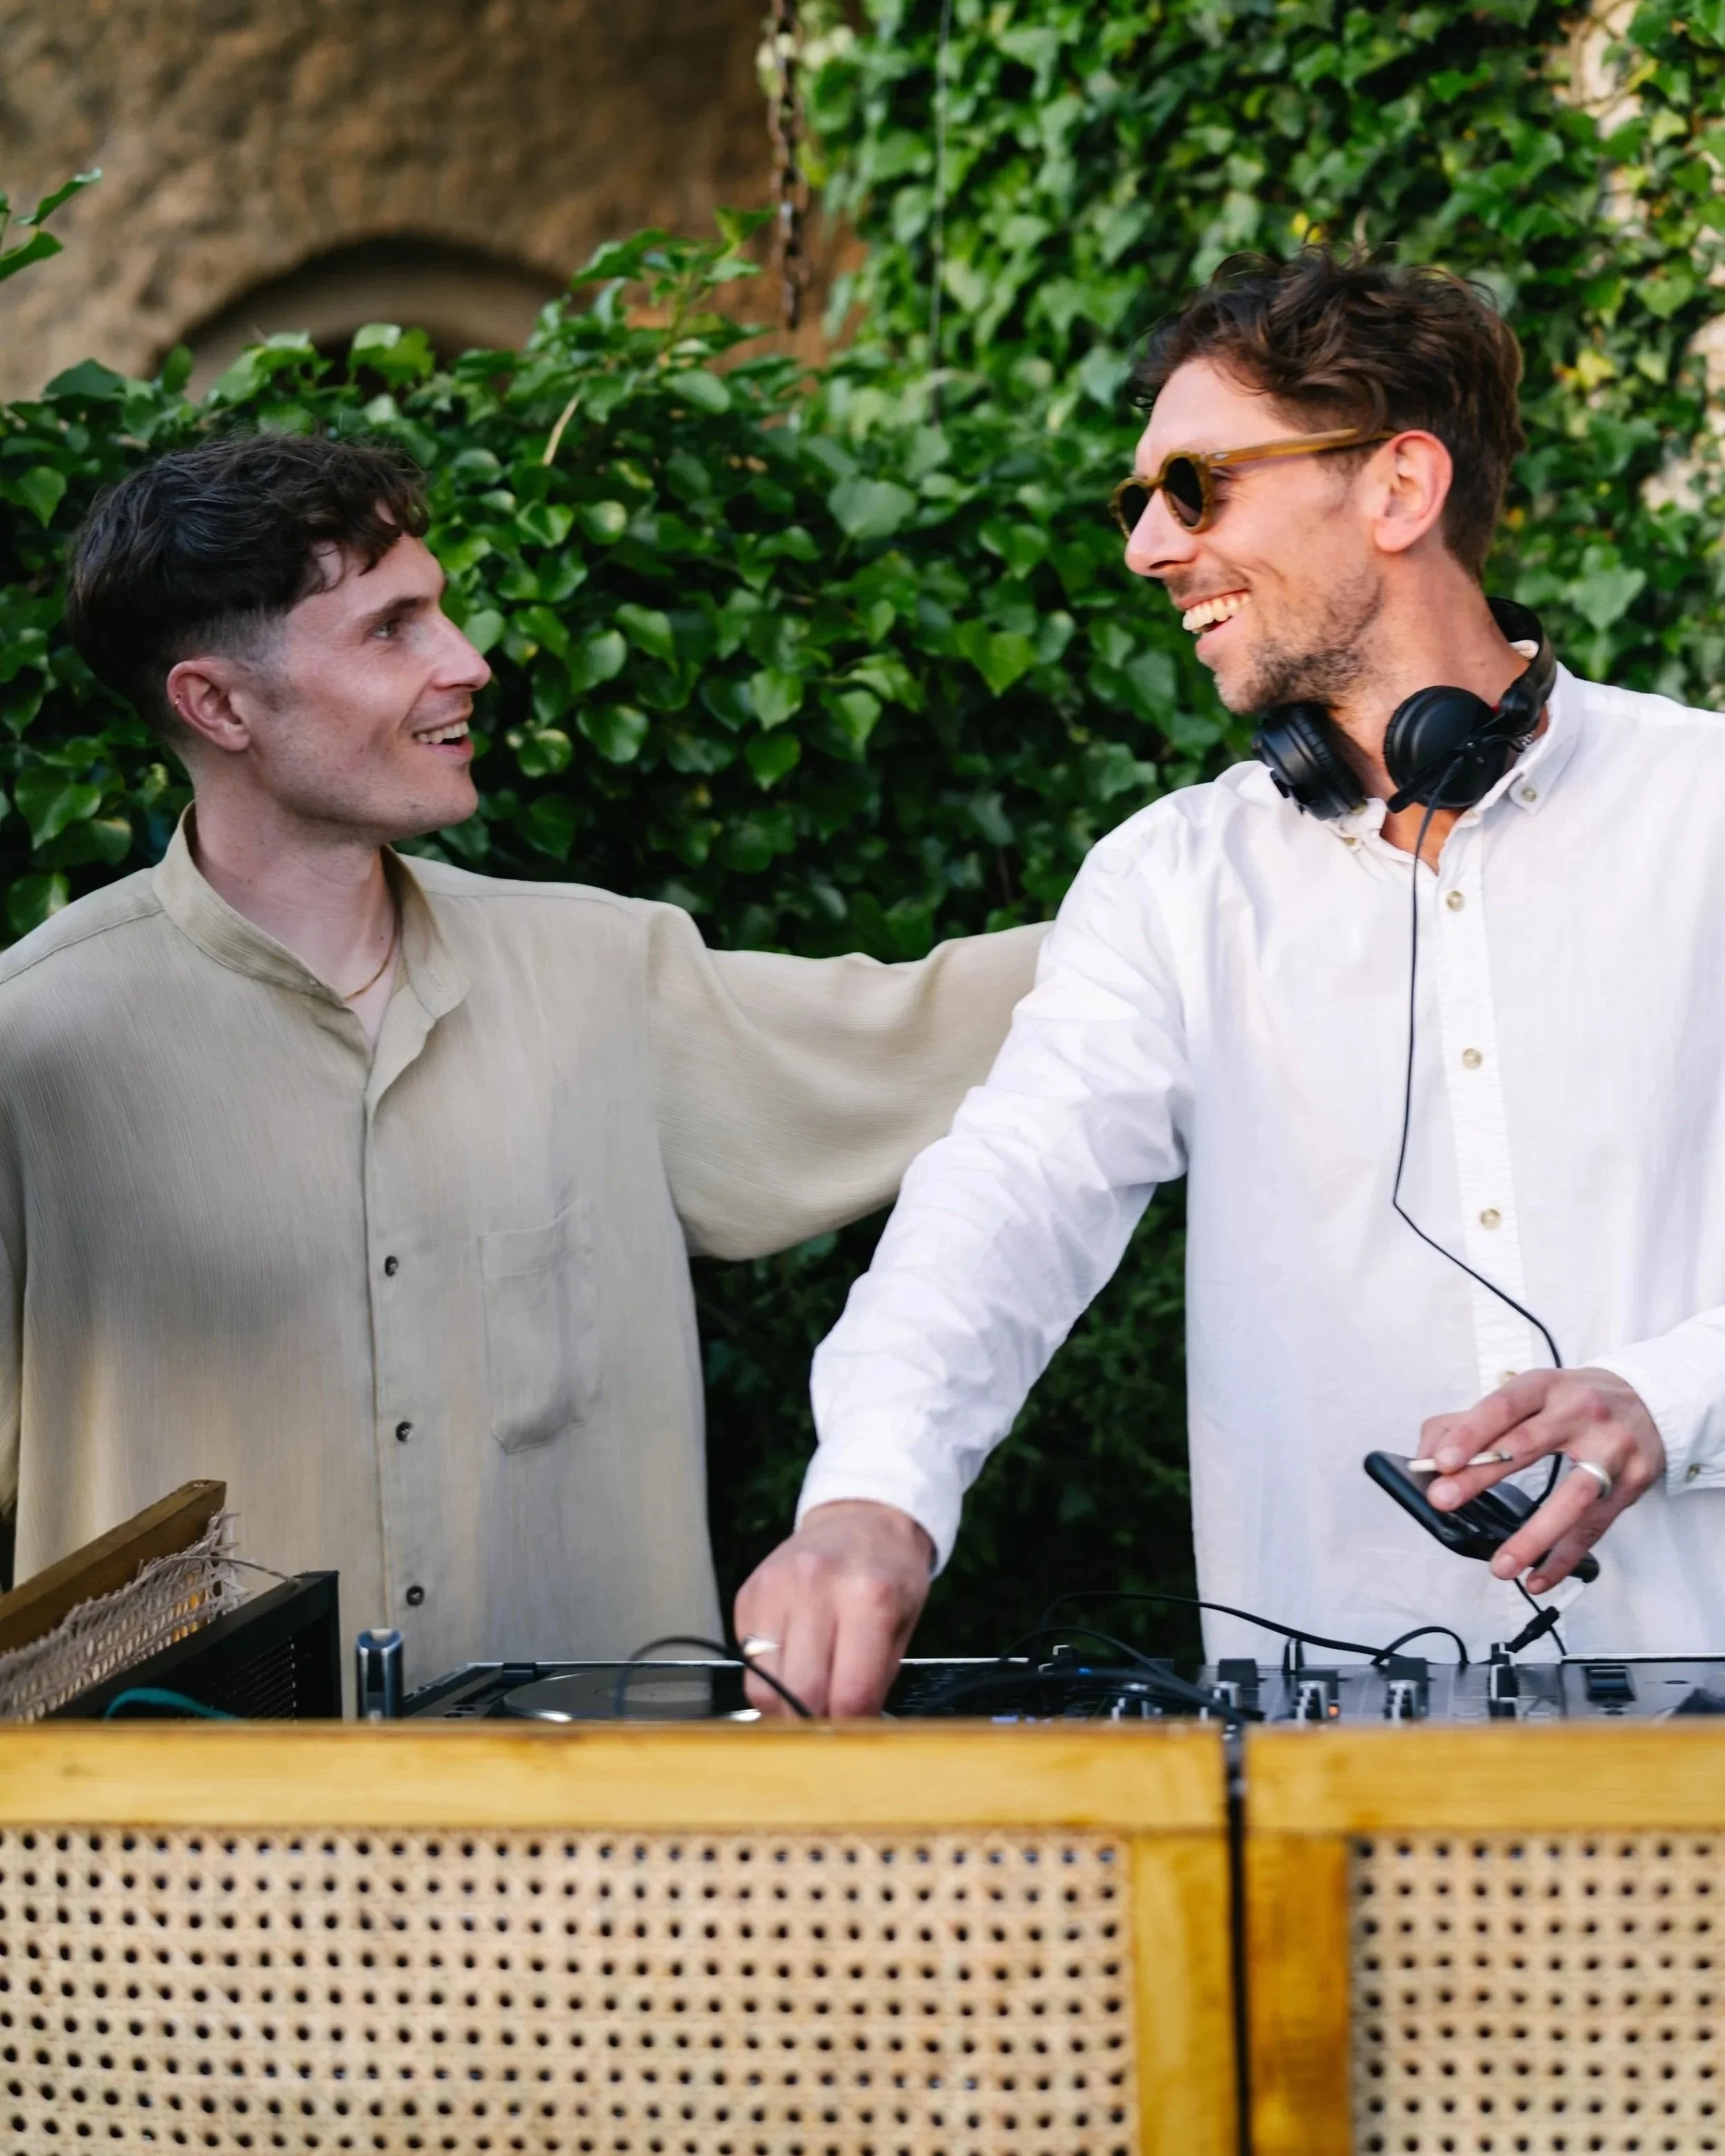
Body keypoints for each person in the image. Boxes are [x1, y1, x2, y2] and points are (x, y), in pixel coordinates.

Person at [737, 245, 1725, 1716]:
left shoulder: (1704, 813)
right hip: (1335, 1778)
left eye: (1194, 487)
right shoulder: (1170, 882)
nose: (1145, 546)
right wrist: (873, 1494)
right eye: (1133, 501)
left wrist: (1671, 1393)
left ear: (1396, 488)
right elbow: (1008, 1193)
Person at [0, 432, 1044, 1691]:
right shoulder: (32, 1055)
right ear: (217, 703)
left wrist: (1255, 868)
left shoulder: (608, 976)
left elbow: (950, 1023)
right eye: (392, 629)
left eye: (440, 612)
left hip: (593, 1857)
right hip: (197, 1875)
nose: (466, 662)